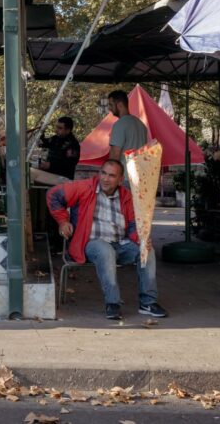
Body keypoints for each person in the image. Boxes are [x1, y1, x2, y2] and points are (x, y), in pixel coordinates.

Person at [46, 159, 167, 320]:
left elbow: (132, 226)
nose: (105, 178)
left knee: (146, 249)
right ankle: (113, 303)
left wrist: (141, 239)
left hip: (120, 244)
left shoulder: (126, 196)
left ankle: (148, 303)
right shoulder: (84, 187)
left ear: (120, 179)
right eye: (103, 173)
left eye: (111, 175)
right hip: (90, 244)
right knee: (105, 250)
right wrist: (63, 221)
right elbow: (53, 194)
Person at [107, 90, 148, 167]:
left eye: (111, 105)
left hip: (124, 175)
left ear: (120, 105)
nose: (109, 108)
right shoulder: (141, 125)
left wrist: (107, 175)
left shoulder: (119, 125)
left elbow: (114, 156)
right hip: (140, 174)